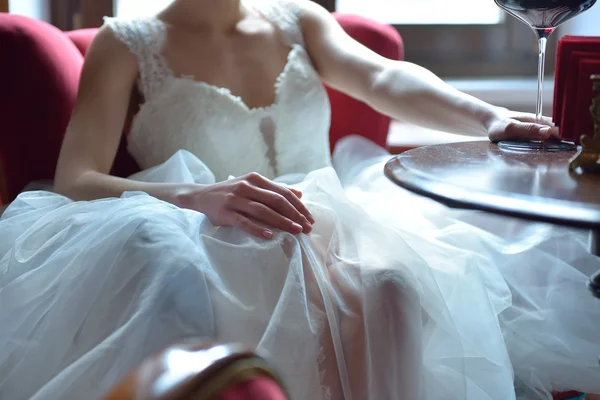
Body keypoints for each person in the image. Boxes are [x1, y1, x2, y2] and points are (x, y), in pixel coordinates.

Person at [0, 0, 599, 399]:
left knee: (397, 284)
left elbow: (383, 78)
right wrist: (196, 193)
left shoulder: (299, 19)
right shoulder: (126, 42)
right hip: (205, 228)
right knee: (177, 276)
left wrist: (488, 116)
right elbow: (77, 177)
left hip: (331, 217)